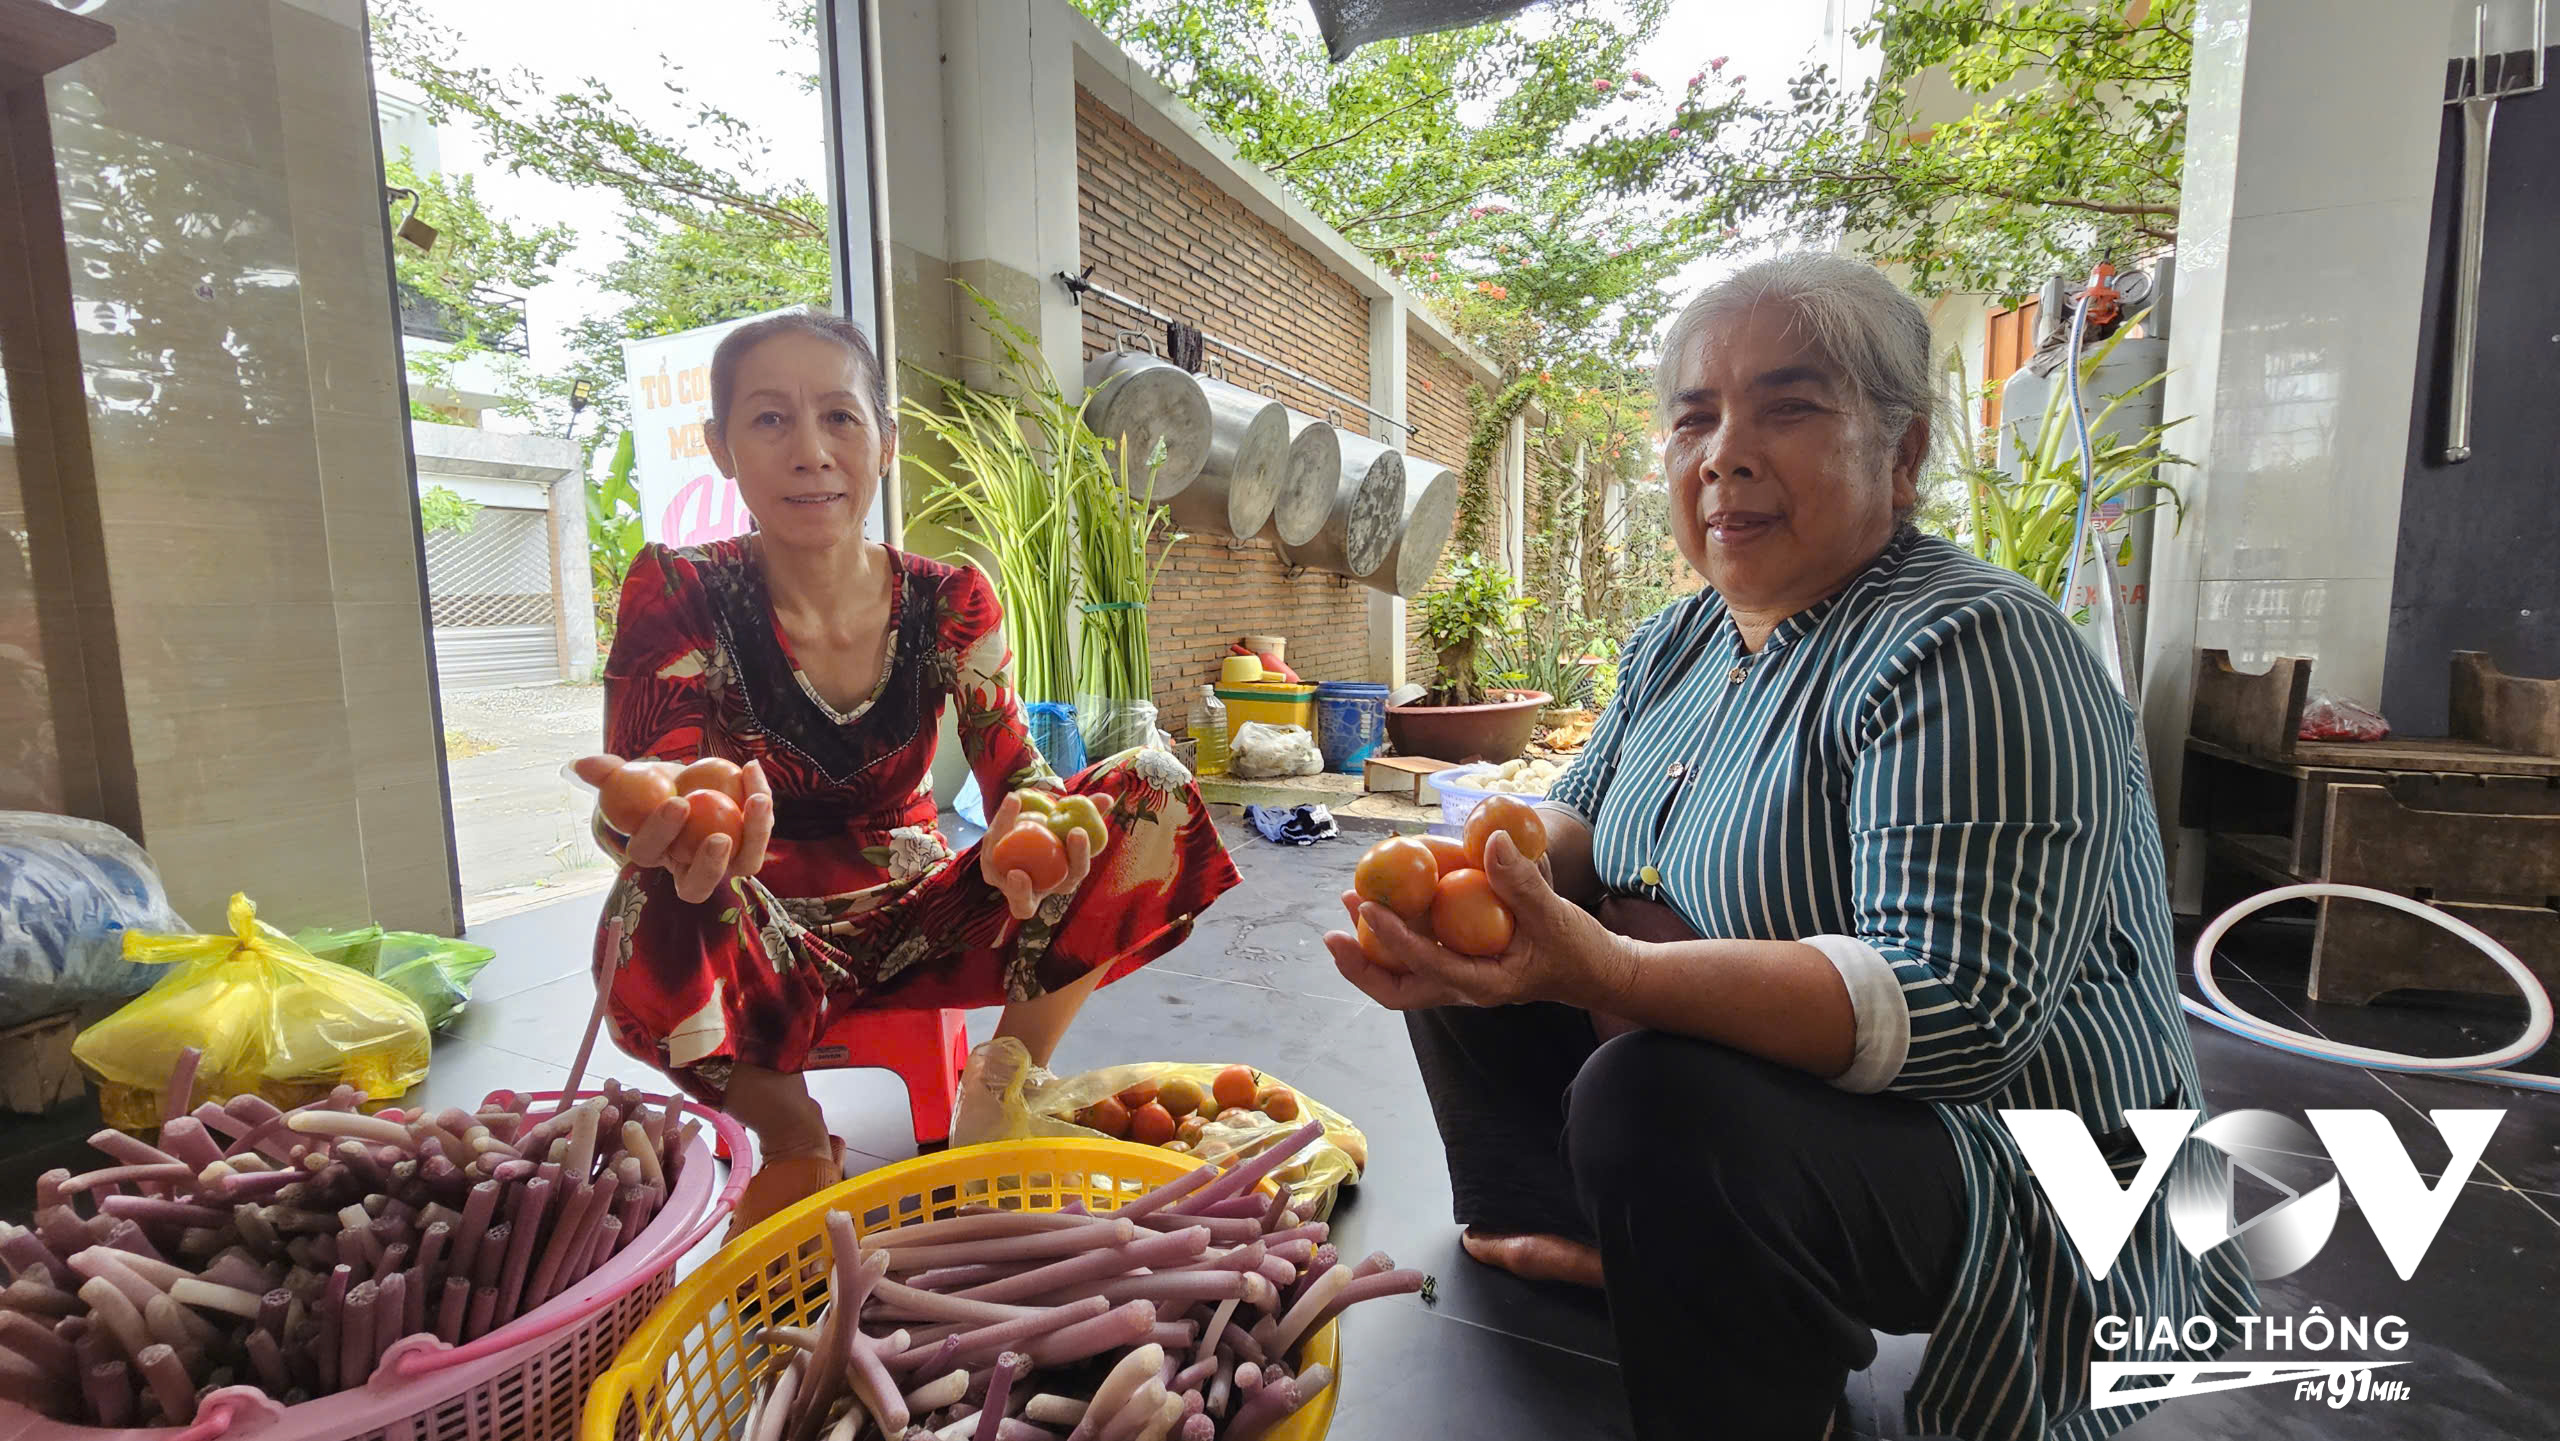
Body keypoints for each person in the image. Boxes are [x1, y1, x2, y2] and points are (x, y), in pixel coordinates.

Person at [1324, 254, 2255, 1441]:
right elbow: (1583, 818)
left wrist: (1607, 971)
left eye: (1789, 407)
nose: (1724, 453)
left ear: (1904, 453)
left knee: (1659, 1097)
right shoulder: (1681, 636)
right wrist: (1499, 863)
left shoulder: (1973, 644)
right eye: (1694, 418)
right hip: (1830, 1089)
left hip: (2027, 1142)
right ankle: (1580, 1232)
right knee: (1485, 922)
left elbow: (1957, 1012)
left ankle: (1765, 1389)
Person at [578, 308, 1241, 1236]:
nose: (810, 451)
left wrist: (1034, 824)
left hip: (918, 918)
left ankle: (1000, 1091)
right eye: (769, 419)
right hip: (754, 938)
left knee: (1152, 786)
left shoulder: (950, 599)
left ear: (885, 443)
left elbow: (1021, 768)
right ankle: (795, 1131)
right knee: (644, 901)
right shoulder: (680, 594)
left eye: (840, 418)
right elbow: (652, 785)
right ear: (720, 446)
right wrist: (662, 827)